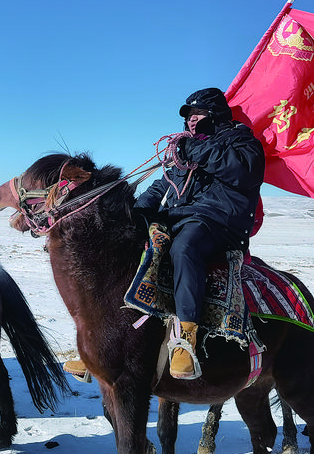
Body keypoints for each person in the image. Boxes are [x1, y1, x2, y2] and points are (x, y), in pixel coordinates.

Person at [63, 88, 264, 381]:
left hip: (219, 221)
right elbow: (164, 185)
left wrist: (195, 150)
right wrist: (136, 213)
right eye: (189, 115)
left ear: (216, 115)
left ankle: (186, 339)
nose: (192, 120)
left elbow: (243, 172)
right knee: (128, 245)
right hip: (180, 217)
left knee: (184, 247)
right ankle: (102, 344)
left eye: (199, 114)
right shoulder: (185, 150)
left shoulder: (242, 142)